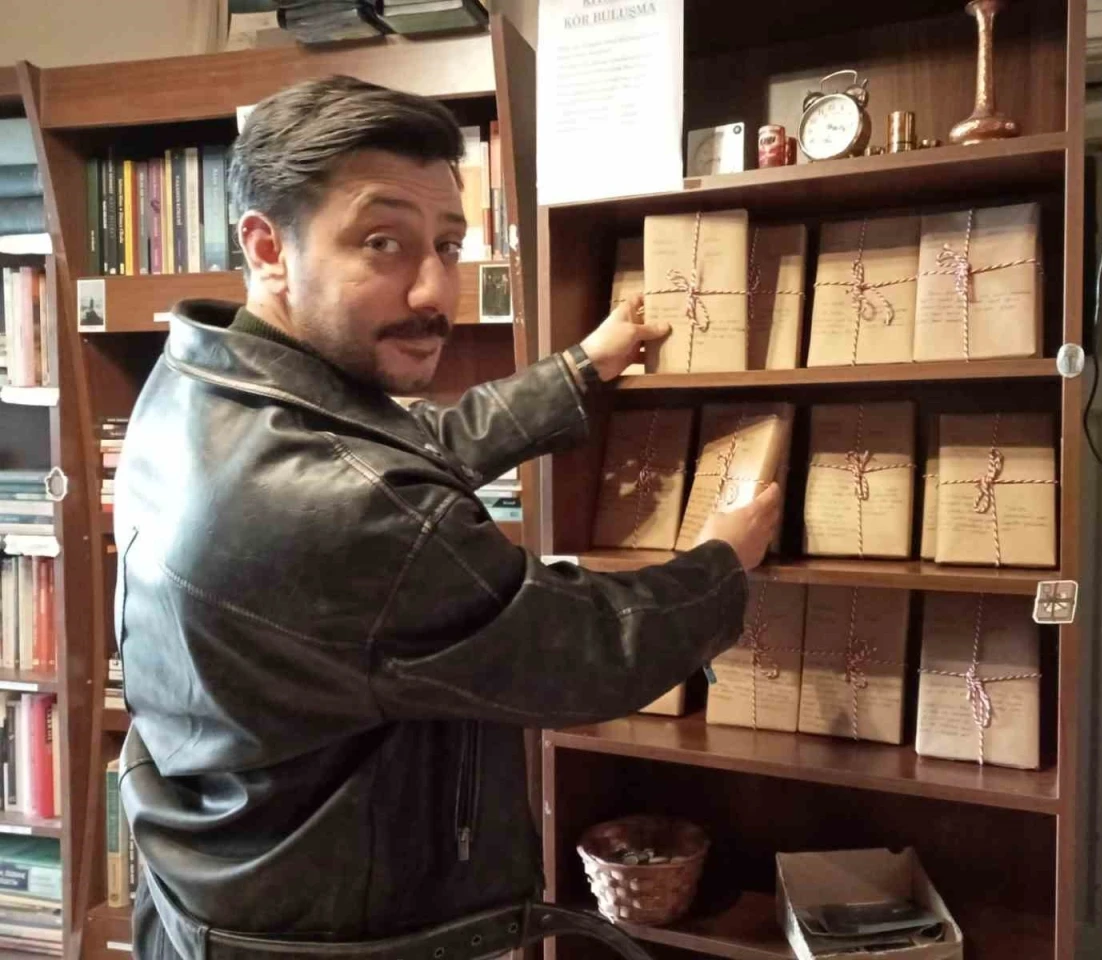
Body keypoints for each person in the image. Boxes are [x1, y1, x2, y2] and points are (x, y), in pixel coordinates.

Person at [115, 75, 782, 959]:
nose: (434, 290)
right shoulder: (351, 506)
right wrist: (720, 564)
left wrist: (579, 368)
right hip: (342, 941)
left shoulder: (204, 381)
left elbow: (408, 449)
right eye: (382, 243)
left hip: (225, 890)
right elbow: (582, 649)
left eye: (449, 244)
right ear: (269, 247)